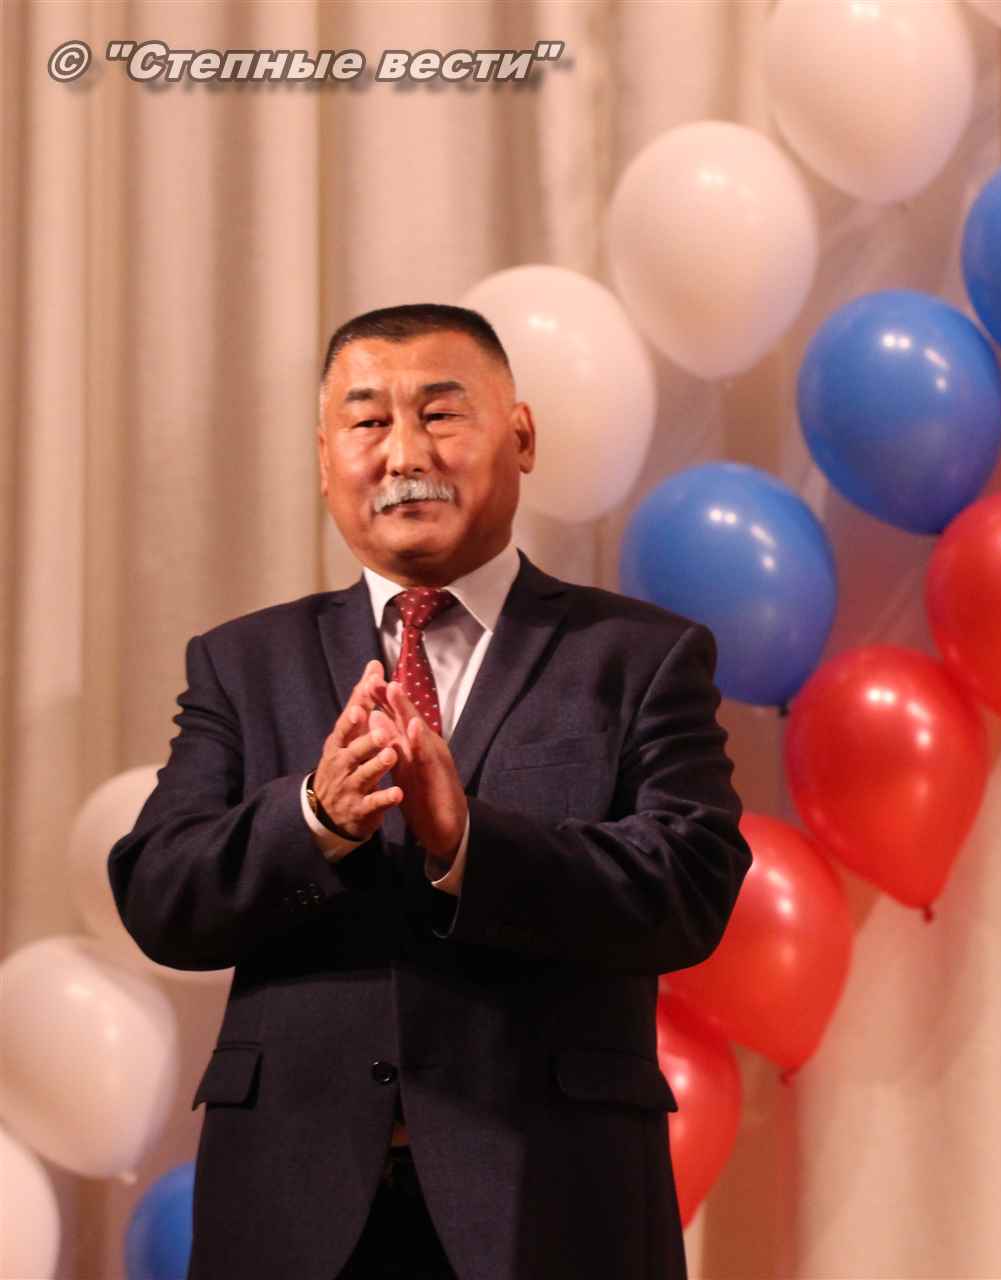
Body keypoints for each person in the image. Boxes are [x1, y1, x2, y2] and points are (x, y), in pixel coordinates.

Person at [109, 304, 751, 1280]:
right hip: (291, 1211)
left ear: (521, 436)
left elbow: (690, 887)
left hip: (555, 1205)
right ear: (325, 458)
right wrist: (314, 818)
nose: (405, 453)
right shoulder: (242, 663)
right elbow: (160, 891)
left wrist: (470, 845)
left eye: (442, 414)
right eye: (368, 421)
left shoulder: (641, 656)